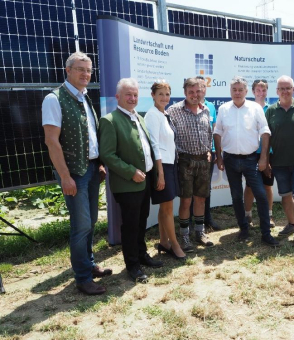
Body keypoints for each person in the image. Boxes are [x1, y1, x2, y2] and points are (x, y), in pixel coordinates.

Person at [42, 52, 111, 295]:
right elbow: (52, 141)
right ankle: (82, 278)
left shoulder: (84, 97)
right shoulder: (54, 99)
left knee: (90, 222)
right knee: (81, 226)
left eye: (89, 70)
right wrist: (65, 176)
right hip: (74, 173)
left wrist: (100, 163)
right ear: (67, 70)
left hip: (92, 169)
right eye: (80, 69)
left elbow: (91, 135)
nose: (85, 74)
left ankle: (89, 264)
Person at [99, 78, 163, 283]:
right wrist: (131, 172)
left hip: (144, 182)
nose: (132, 98)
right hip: (128, 184)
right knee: (131, 225)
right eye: (128, 94)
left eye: (135, 94)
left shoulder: (139, 117)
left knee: (141, 221)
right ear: (118, 97)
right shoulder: (110, 120)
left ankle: (142, 255)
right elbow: (107, 155)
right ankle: (132, 265)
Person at [214, 76, 279, 247]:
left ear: (246, 91)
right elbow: (217, 132)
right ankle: (243, 229)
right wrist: (219, 157)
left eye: (240, 89)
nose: (237, 92)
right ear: (230, 91)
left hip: (251, 159)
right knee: (236, 196)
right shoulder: (223, 109)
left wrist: (264, 157)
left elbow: (265, 132)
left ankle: (266, 233)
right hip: (230, 159)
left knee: (261, 196)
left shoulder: (255, 108)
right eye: (234, 89)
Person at [167, 78, 214, 252]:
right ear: (185, 93)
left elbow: (208, 133)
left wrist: (209, 150)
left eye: (198, 91)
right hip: (184, 161)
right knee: (186, 200)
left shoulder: (206, 110)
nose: (195, 95)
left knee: (201, 198)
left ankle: (199, 233)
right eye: (191, 92)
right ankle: (184, 237)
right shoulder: (173, 111)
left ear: (203, 91)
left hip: (203, 160)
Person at [265, 75, 294, 247]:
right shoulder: (270, 110)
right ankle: (292, 224)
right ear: (277, 91)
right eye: (281, 88)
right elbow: (266, 138)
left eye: (288, 88)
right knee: (285, 196)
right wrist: (267, 159)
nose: (285, 91)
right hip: (278, 162)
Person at [144, 81, 186, 260]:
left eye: (167, 94)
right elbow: (154, 145)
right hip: (162, 167)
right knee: (168, 208)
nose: (164, 98)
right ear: (152, 95)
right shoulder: (152, 115)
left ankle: (164, 241)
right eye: (160, 94)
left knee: (165, 207)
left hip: (170, 165)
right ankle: (175, 245)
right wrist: (160, 173)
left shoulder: (164, 114)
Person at [188, 76, 221, 231]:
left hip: (208, 153)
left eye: (202, 88)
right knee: (188, 189)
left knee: (204, 188)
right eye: (196, 88)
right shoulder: (185, 106)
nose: (199, 92)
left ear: (205, 89)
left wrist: (214, 150)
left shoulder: (211, 107)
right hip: (189, 155)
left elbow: (213, 130)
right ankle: (187, 220)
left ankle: (206, 218)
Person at [243, 79, 276, 228]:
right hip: (251, 154)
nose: (261, 93)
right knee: (249, 187)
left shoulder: (271, 110)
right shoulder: (247, 108)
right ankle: (247, 215)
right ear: (253, 92)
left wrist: (267, 157)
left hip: (268, 154)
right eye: (258, 90)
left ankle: (269, 216)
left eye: (263, 90)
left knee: (267, 186)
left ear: (267, 91)